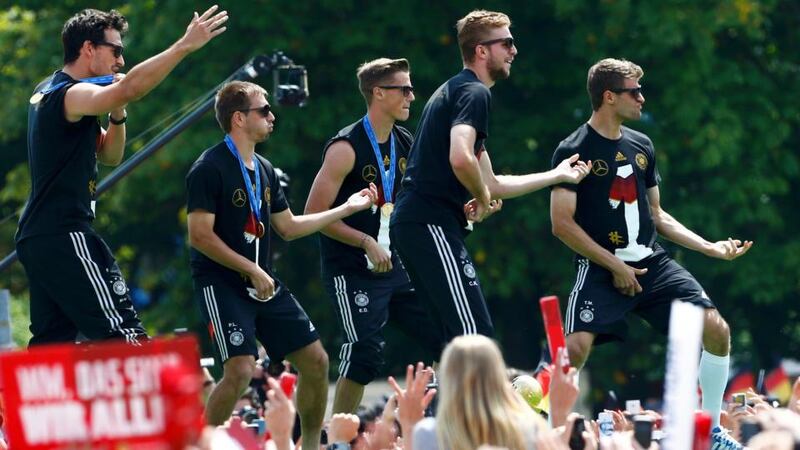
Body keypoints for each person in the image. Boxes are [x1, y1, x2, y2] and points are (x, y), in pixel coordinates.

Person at [549, 58, 753, 442]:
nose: (642, 98)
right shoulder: (573, 148)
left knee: (717, 330)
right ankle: (550, 433)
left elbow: (657, 215)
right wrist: (615, 266)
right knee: (573, 349)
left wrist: (709, 247)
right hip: (600, 268)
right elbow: (562, 224)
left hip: (652, 262)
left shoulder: (642, 144)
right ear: (609, 97)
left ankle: (711, 431)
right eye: (634, 92)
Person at [14, 6, 227, 346]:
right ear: (88, 48)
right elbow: (129, 88)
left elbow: (110, 155)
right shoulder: (71, 94)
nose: (121, 61)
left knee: (53, 351)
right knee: (124, 335)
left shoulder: (50, 90)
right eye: (115, 50)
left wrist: (117, 113)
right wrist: (183, 46)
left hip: (40, 237)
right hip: (65, 232)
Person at [185, 81, 376, 444]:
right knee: (240, 370)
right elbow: (200, 236)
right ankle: (197, 445)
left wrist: (346, 208)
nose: (272, 116)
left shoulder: (265, 169)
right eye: (264, 110)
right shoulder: (208, 168)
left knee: (316, 361)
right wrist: (250, 269)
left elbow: (288, 227)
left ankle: (309, 447)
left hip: (263, 282)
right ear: (239, 118)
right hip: (223, 285)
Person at [390, 9, 590, 345]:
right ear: (481, 50)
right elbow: (460, 157)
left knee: (454, 343)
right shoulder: (474, 92)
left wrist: (556, 175)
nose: (515, 50)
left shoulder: (458, 90)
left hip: (420, 225)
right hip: (429, 223)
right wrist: (482, 198)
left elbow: (493, 182)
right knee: (475, 338)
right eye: (507, 43)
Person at [304, 58, 442, 413]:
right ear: (378, 93)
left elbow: (421, 199)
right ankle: (338, 434)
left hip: (398, 267)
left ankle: (440, 422)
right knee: (364, 355)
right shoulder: (345, 148)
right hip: (352, 271)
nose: (412, 96)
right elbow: (313, 216)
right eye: (404, 89)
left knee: (447, 337)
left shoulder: (404, 141)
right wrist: (364, 242)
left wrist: (466, 210)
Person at [394, 335, 548, 450]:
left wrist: (409, 425)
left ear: (448, 381)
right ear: (499, 377)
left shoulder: (428, 434)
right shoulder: (530, 431)